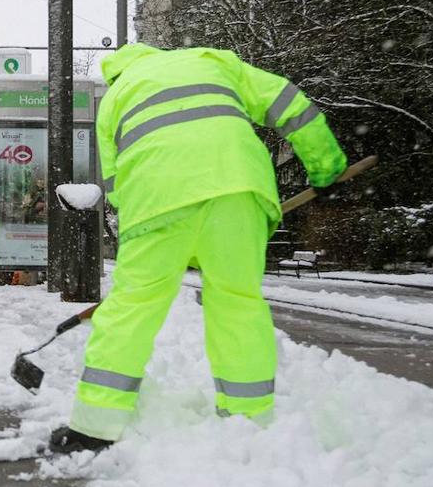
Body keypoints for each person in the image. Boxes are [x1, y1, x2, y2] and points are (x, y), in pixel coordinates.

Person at [49, 43, 347, 453]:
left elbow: (117, 185)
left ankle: (94, 427)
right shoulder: (214, 62)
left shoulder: (116, 97)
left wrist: (167, 237)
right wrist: (325, 168)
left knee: (131, 309)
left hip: (155, 203)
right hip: (238, 190)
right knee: (238, 305)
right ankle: (250, 421)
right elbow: (288, 101)